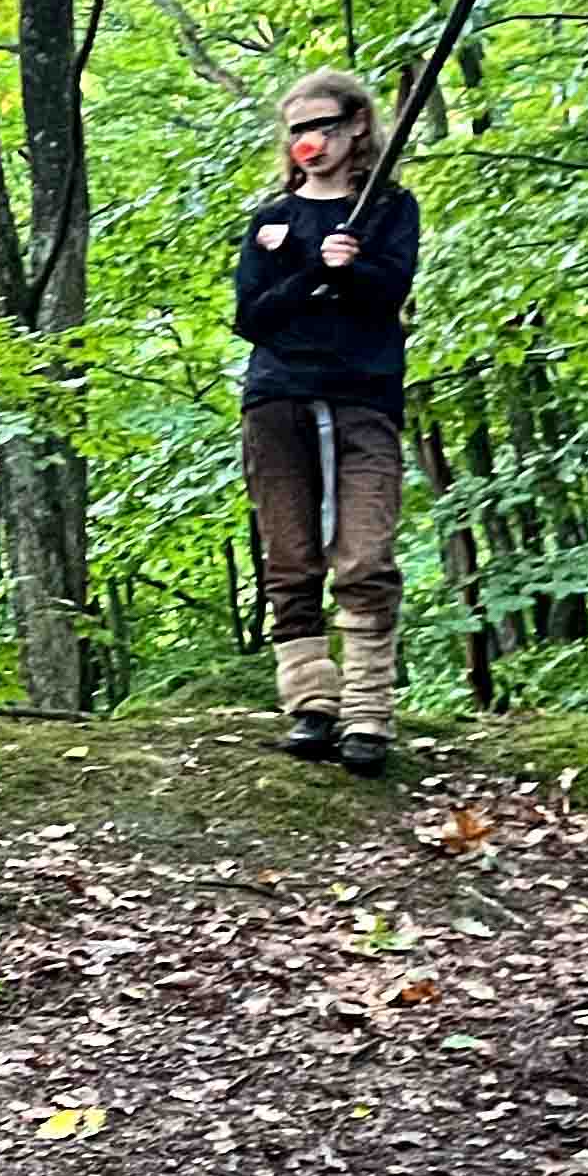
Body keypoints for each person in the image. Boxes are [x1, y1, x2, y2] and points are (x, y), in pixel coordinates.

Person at [232, 68, 423, 777]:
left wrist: (353, 268)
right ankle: (311, 702)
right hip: (278, 397)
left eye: (322, 126)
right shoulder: (270, 220)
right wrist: (314, 266)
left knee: (366, 556)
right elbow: (252, 316)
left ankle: (368, 710)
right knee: (289, 555)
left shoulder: (389, 209)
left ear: (357, 127)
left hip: (363, 395)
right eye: (298, 130)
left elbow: (390, 291)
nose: (309, 141)